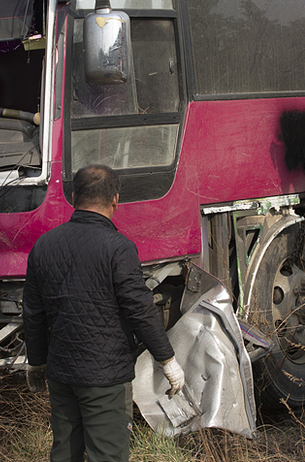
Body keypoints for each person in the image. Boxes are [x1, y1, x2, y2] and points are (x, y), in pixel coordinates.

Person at [23, 164, 184, 462]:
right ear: (115, 200)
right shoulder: (118, 248)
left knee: (64, 454)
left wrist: (36, 362)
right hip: (104, 378)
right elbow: (140, 309)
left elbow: (33, 313)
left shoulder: (43, 246)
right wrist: (167, 360)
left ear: (73, 197)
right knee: (107, 455)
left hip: (61, 375)